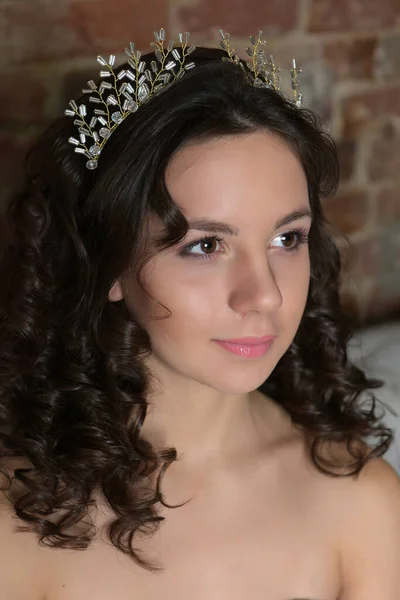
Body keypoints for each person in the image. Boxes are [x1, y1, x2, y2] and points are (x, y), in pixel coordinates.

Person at [0, 28, 399, 600]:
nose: (263, 295)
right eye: (205, 246)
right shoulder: (17, 521)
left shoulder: (358, 499)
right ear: (107, 261)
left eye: (287, 239)